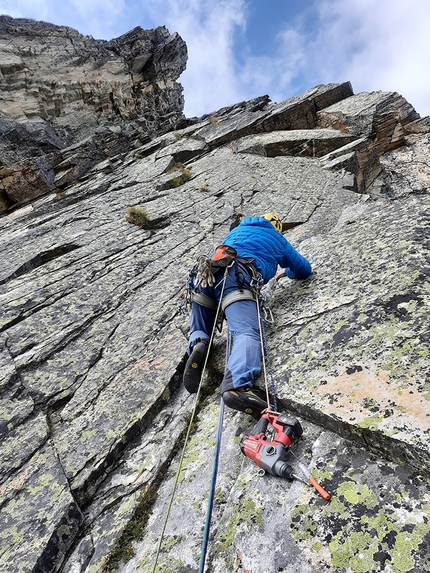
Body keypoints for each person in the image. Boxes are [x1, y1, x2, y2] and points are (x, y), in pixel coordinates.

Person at [183, 213, 312, 419]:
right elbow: (304, 269)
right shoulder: (276, 238)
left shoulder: (236, 231)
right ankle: (237, 385)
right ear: (276, 227)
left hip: (203, 275)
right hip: (237, 279)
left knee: (201, 322)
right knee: (246, 332)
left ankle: (199, 344)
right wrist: (286, 273)